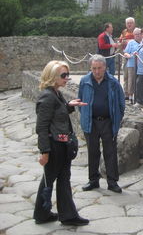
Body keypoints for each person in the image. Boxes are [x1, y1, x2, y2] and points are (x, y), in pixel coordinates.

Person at [33, 61, 89, 226]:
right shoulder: (48, 96)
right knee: (55, 179)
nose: (67, 78)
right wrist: (44, 151)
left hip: (60, 144)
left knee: (57, 179)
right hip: (54, 144)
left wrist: (69, 106)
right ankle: (65, 215)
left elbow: (58, 113)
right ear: (53, 77)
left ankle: (44, 214)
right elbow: (41, 127)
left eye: (67, 74)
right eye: (63, 75)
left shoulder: (55, 93)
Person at [78, 55, 125, 194]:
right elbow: (80, 102)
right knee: (92, 151)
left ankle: (112, 182)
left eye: (99, 68)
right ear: (90, 68)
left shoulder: (113, 82)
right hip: (91, 122)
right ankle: (93, 180)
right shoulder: (85, 81)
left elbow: (121, 104)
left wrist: (116, 118)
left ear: (105, 67)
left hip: (108, 121)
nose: (97, 71)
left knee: (110, 152)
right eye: (94, 68)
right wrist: (86, 115)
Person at [122, 27, 141, 105]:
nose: (137, 36)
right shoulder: (131, 42)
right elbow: (125, 52)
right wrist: (128, 55)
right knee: (131, 81)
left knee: (139, 81)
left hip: (141, 65)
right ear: (133, 35)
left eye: (139, 34)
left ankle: (139, 97)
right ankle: (130, 97)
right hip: (132, 64)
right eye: (136, 34)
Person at [119, 17, 136, 98]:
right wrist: (122, 42)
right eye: (128, 23)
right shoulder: (124, 32)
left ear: (134, 24)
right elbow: (120, 42)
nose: (129, 24)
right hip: (124, 56)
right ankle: (125, 93)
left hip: (133, 57)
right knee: (125, 75)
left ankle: (132, 93)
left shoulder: (137, 32)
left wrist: (129, 42)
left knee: (132, 76)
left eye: (131, 23)